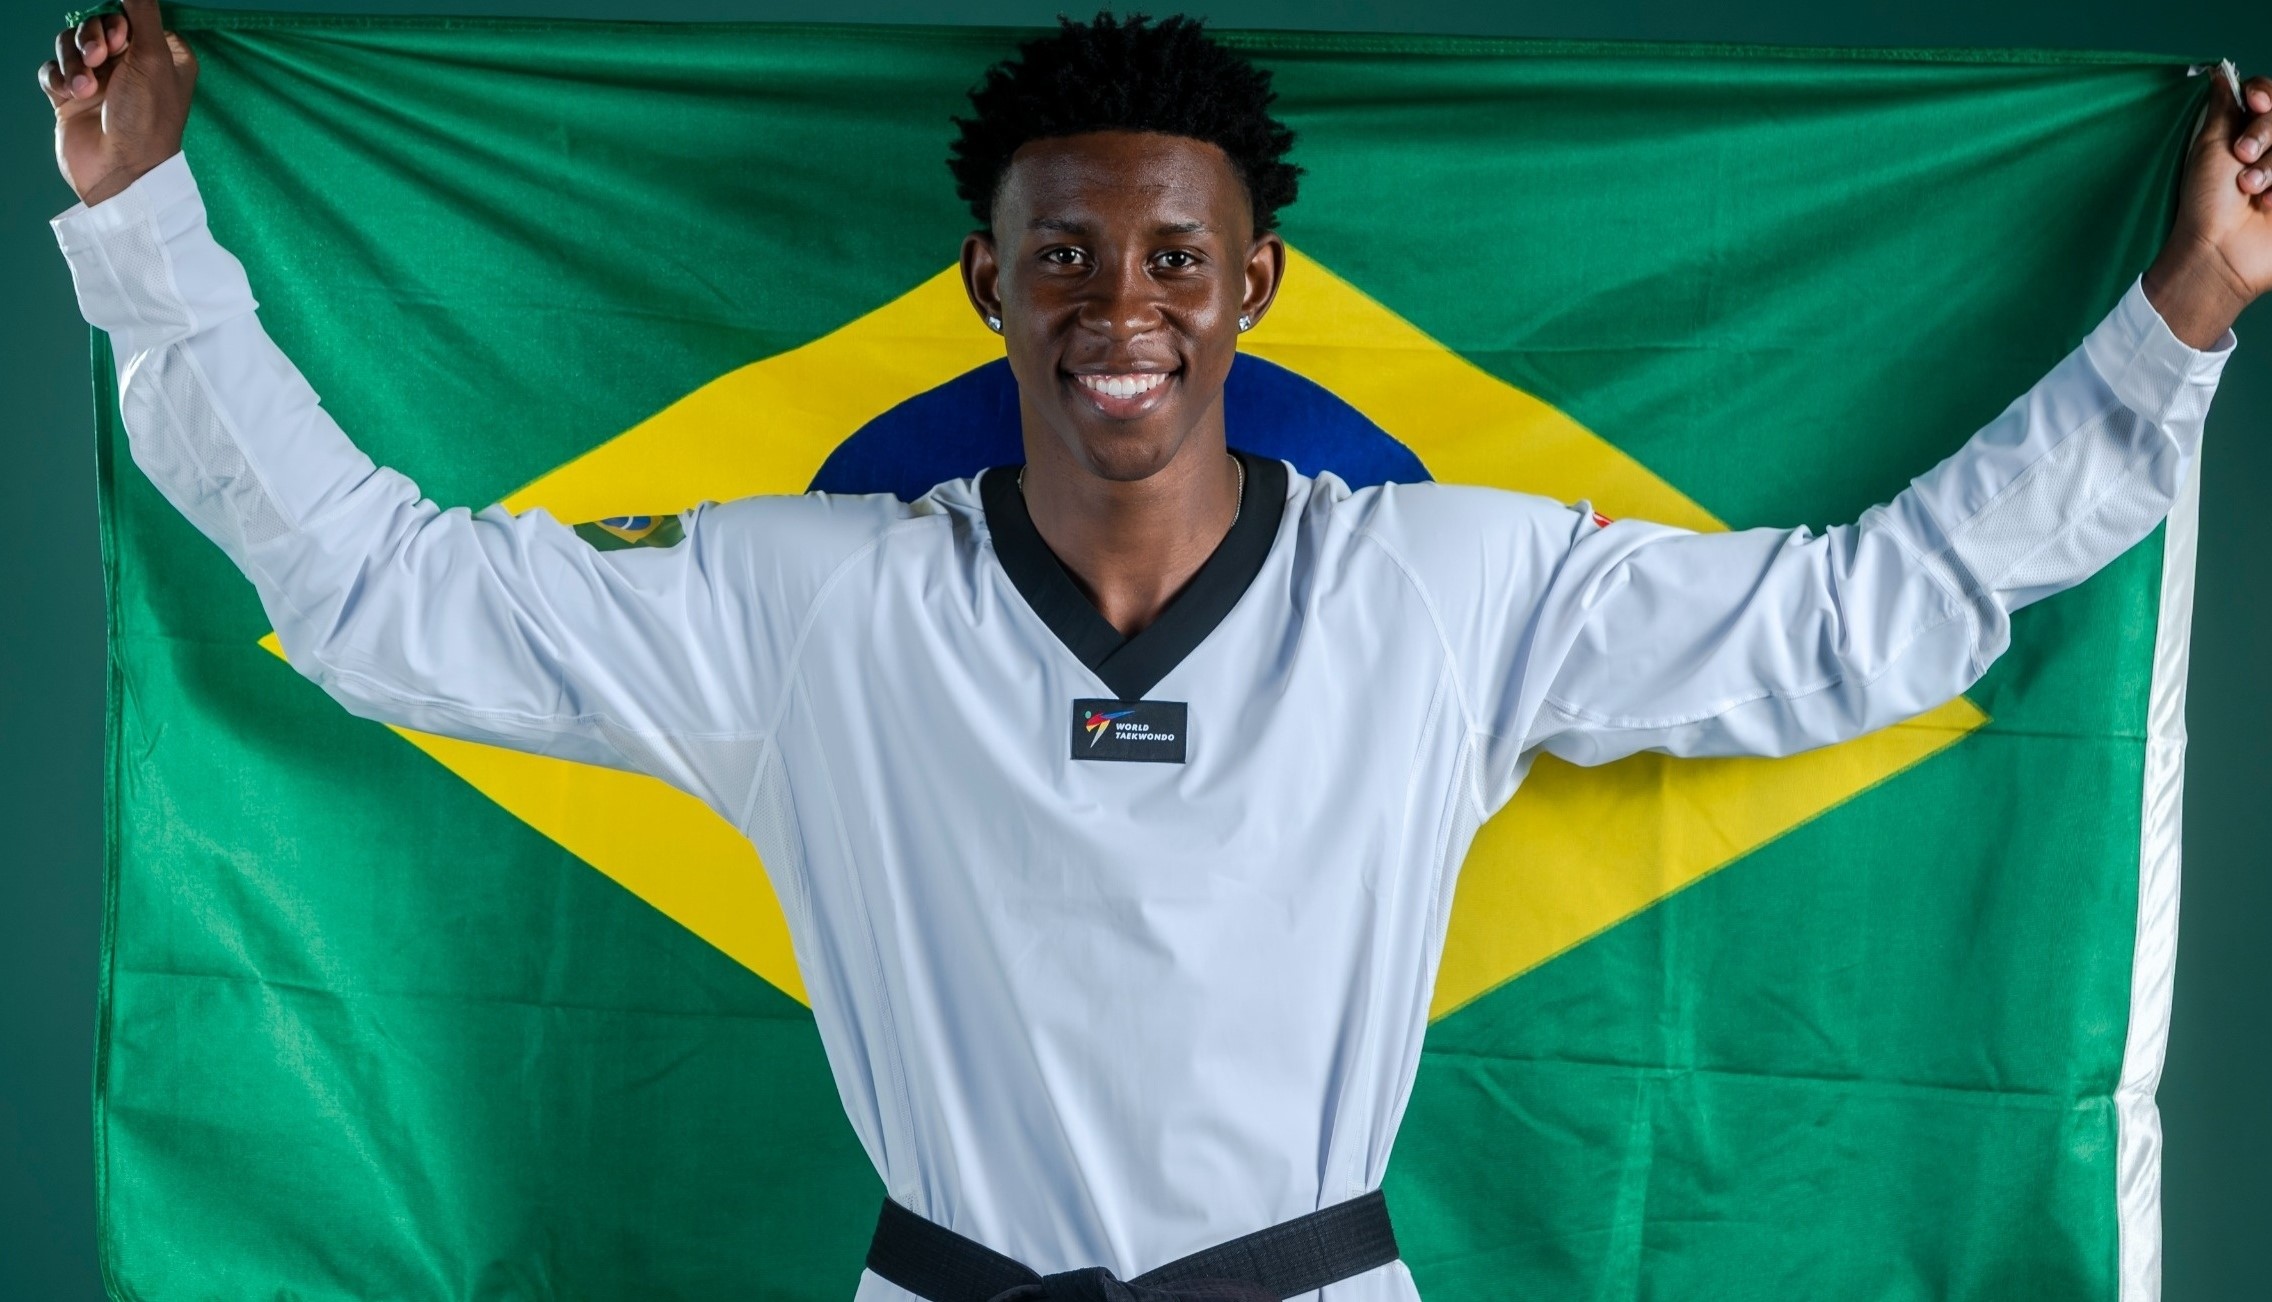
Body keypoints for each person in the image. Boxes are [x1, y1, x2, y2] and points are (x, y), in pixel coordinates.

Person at [37, 4, 2270, 1299]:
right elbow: (379, 593)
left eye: (1176, 257)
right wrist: (142, 225)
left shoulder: (1441, 588)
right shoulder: (806, 602)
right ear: (987, 287)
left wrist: (2177, 315)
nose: (1124, 307)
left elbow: (1861, 621)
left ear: (1252, 284)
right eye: (1068, 257)